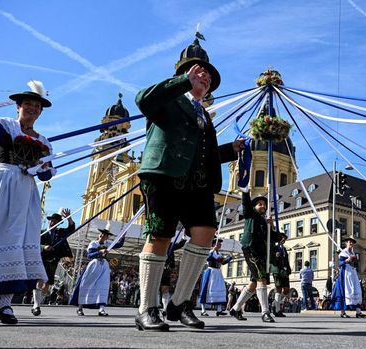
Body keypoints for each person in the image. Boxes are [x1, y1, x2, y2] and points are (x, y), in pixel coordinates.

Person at [133, 33, 244, 331]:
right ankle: (146, 308)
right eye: (199, 73)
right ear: (183, 75)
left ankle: (179, 303)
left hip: (197, 183)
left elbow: (199, 152)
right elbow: (142, 99)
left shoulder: (204, 115)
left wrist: (229, 151)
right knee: (160, 236)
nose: (205, 78)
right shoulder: (167, 99)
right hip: (163, 176)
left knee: (206, 233)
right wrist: (182, 83)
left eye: (207, 77)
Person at [0, 79, 55, 326]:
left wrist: (43, 167)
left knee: (17, 244)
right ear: (18, 106)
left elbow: (46, 174)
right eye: (27, 104)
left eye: (37, 106)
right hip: (0, 185)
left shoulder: (44, 141)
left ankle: (5, 306)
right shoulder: (4, 126)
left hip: (25, 194)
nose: (32, 108)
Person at [229, 187, 279, 323]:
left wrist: (272, 225)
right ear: (255, 206)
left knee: (253, 283)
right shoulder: (251, 214)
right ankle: (265, 312)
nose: (263, 206)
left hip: (262, 252)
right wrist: (245, 192)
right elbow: (245, 205)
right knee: (261, 279)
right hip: (251, 249)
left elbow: (275, 238)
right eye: (260, 204)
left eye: (264, 204)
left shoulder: (264, 221)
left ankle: (235, 308)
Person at [69, 226, 124, 316]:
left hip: (104, 266)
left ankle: (101, 309)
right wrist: (100, 252)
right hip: (94, 265)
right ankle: (80, 308)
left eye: (105, 235)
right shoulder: (93, 243)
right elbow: (90, 255)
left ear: (107, 237)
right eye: (102, 234)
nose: (103, 235)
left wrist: (123, 236)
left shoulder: (108, 243)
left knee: (103, 285)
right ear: (99, 235)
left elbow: (119, 244)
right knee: (86, 284)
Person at [32, 209, 74, 316]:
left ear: (58, 223)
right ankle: (36, 305)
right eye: (51, 220)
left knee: (47, 286)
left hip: (53, 262)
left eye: (55, 221)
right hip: (41, 260)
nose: (52, 222)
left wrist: (69, 218)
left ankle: (38, 302)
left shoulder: (60, 233)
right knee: (39, 281)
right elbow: (34, 244)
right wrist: (43, 247)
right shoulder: (42, 233)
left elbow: (71, 229)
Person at [331, 236, 366, 318]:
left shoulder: (352, 253)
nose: (351, 243)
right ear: (346, 243)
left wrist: (354, 260)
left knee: (356, 290)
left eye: (352, 242)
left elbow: (355, 263)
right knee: (344, 290)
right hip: (345, 273)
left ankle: (358, 312)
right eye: (349, 242)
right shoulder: (343, 253)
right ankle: (342, 312)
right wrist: (347, 260)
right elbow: (340, 264)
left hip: (352, 273)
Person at [198, 238, 232, 316]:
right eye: (218, 244)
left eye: (220, 244)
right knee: (206, 289)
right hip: (211, 272)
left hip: (217, 273)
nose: (220, 245)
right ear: (214, 244)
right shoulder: (210, 252)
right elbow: (208, 258)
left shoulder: (218, 253)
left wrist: (230, 257)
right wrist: (212, 251)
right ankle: (203, 310)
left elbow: (222, 262)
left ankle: (219, 310)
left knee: (220, 289)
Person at [270, 232, 291, 317]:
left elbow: (286, 261)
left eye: (285, 238)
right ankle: (277, 310)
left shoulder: (284, 249)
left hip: (284, 271)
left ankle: (275, 303)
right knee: (278, 289)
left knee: (286, 289)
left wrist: (288, 270)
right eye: (282, 238)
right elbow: (270, 258)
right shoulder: (274, 247)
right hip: (277, 270)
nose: (283, 239)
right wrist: (275, 256)